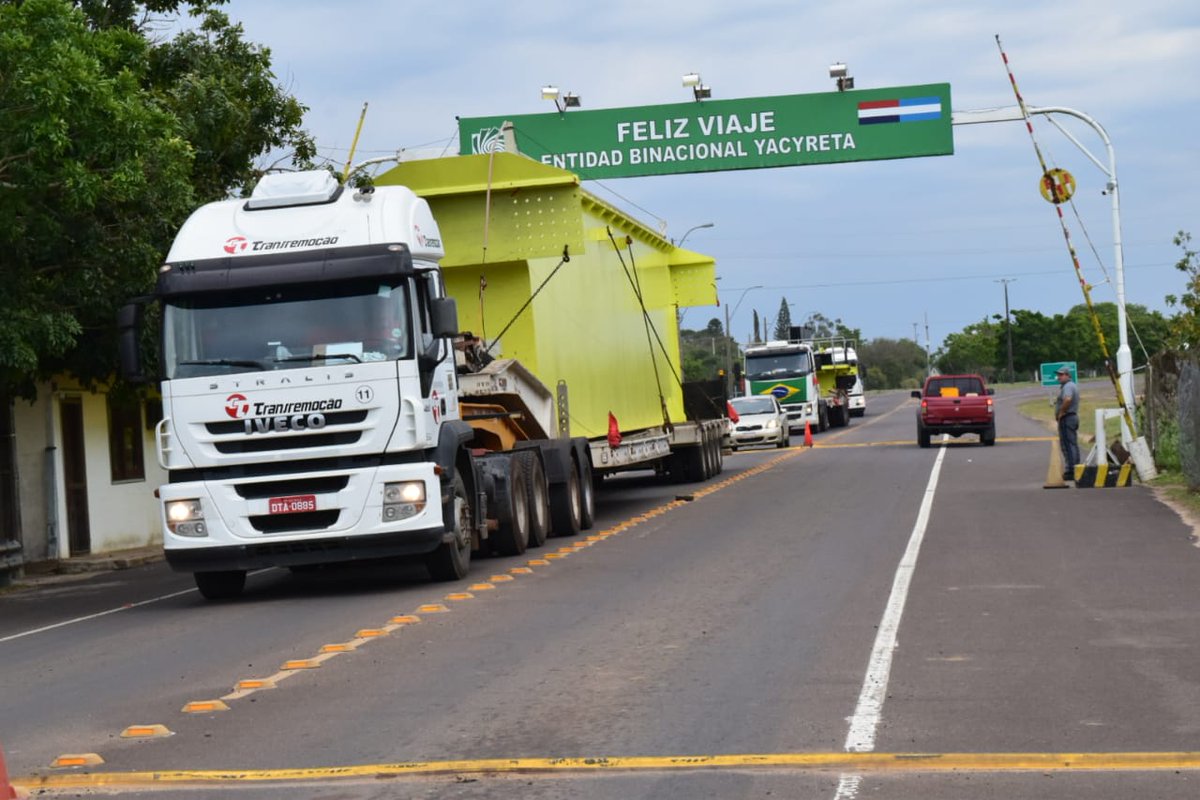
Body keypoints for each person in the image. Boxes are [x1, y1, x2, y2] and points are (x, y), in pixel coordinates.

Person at [1055, 366, 1080, 480]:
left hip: (1067, 417)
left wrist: (1061, 412)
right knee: (1071, 444)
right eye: (1058, 375)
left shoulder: (1068, 386)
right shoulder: (1069, 386)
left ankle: (1071, 470)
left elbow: (1068, 399)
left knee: (1068, 445)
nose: (1059, 377)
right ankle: (1075, 468)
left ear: (1068, 375)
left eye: (1061, 375)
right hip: (1070, 417)